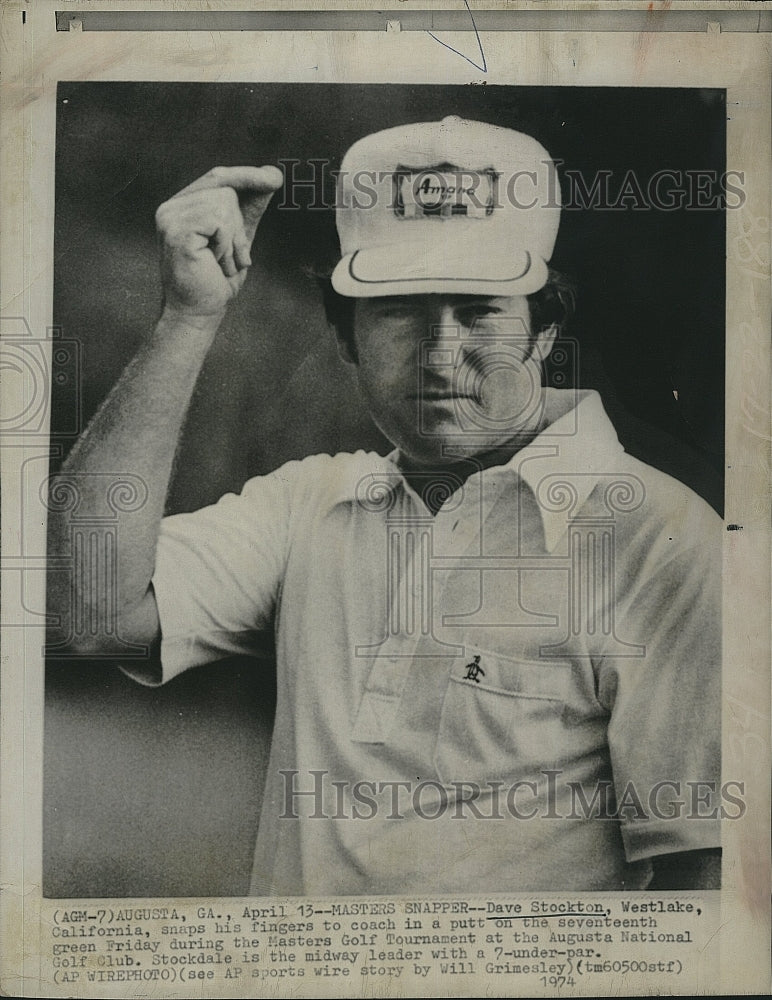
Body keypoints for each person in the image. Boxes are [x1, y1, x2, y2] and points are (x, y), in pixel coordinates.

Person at [47, 116, 722, 895]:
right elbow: (87, 617)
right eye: (400, 308)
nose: (439, 354)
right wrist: (187, 318)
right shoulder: (311, 506)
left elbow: (698, 878)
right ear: (347, 336)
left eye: (479, 310)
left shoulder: (661, 541)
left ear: (544, 329)